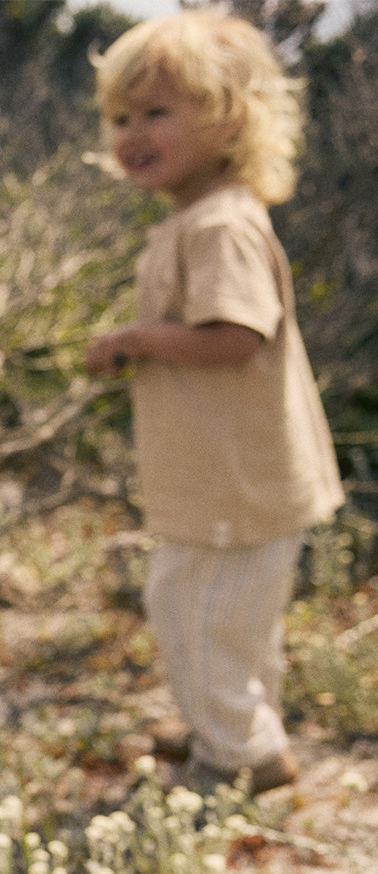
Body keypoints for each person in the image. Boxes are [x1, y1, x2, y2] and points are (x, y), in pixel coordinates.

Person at [85, 9, 344, 796]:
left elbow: (236, 335)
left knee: (194, 613)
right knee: (234, 621)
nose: (133, 133)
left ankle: (240, 755)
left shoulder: (221, 224)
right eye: (121, 117)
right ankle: (231, 724)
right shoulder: (196, 219)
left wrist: (137, 338)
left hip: (235, 485)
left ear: (228, 118)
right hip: (230, 479)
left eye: (156, 112)